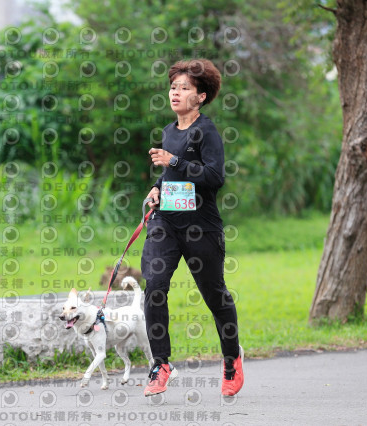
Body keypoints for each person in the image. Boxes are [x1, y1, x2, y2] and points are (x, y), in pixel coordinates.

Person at [141, 59, 244, 397]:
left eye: (184, 88)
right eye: (173, 87)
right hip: (166, 222)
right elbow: (171, 175)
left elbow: (215, 176)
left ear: (200, 97)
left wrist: (174, 161)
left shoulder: (207, 131)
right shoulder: (169, 131)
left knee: (215, 296)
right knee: (155, 286)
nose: (175, 92)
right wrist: (157, 187)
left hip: (201, 227)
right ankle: (160, 364)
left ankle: (231, 359)